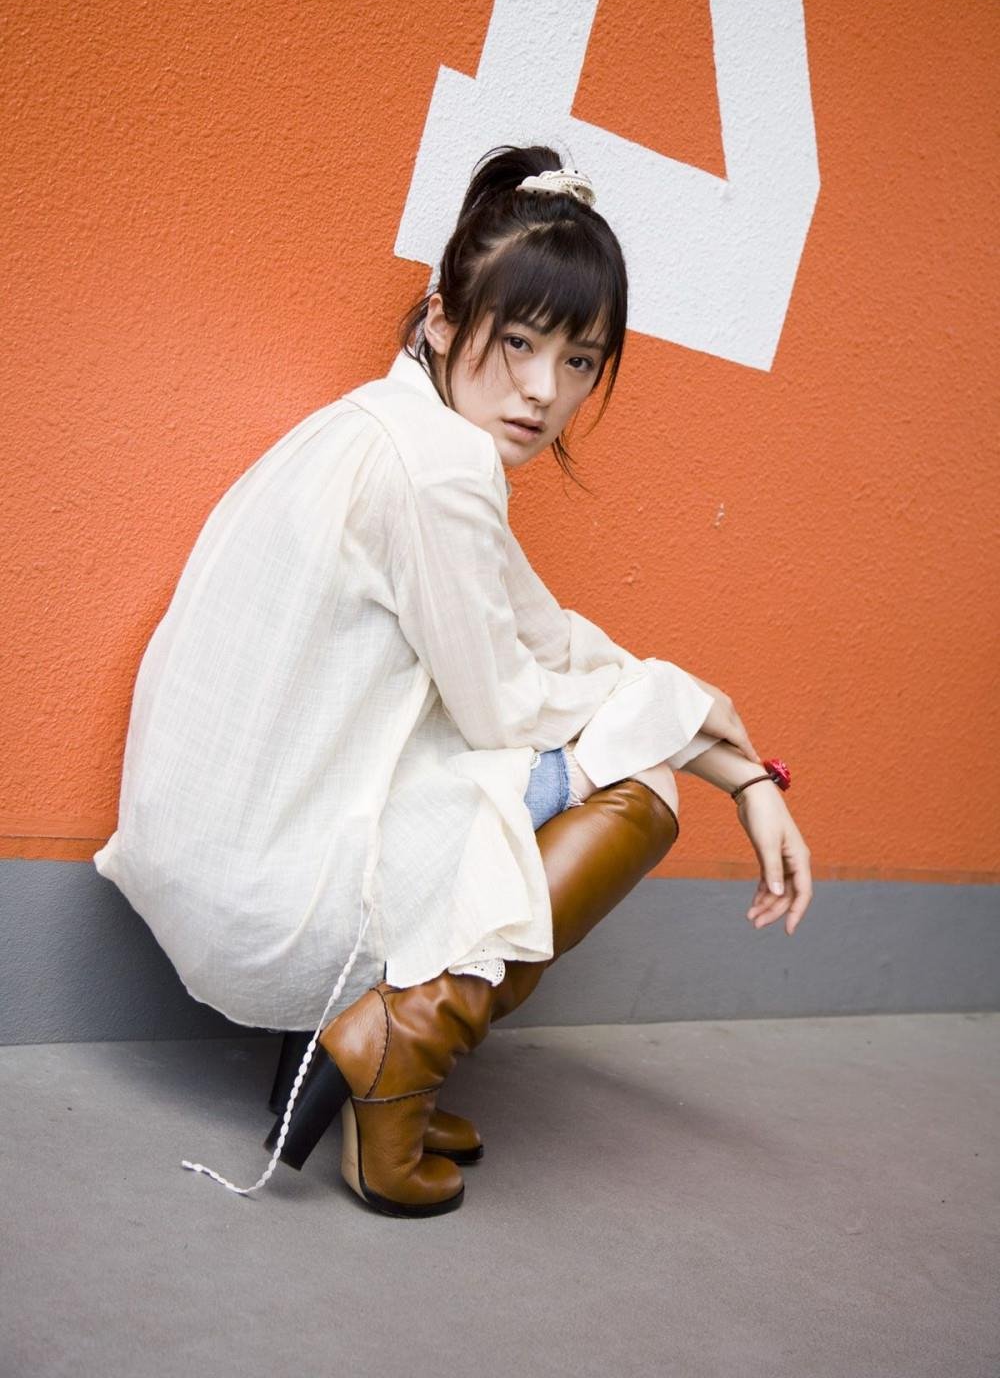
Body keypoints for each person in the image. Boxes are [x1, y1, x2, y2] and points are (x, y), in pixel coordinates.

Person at [94, 144, 812, 1218]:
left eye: (580, 360)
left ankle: (368, 1052)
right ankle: (396, 1052)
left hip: (230, 847)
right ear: (441, 319)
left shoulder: (386, 426)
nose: (544, 390)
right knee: (638, 791)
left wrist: (741, 764)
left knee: (613, 740)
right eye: (519, 341)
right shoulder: (439, 469)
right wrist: (693, 730)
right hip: (275, 887)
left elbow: (547, 638)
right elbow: (508, 708)